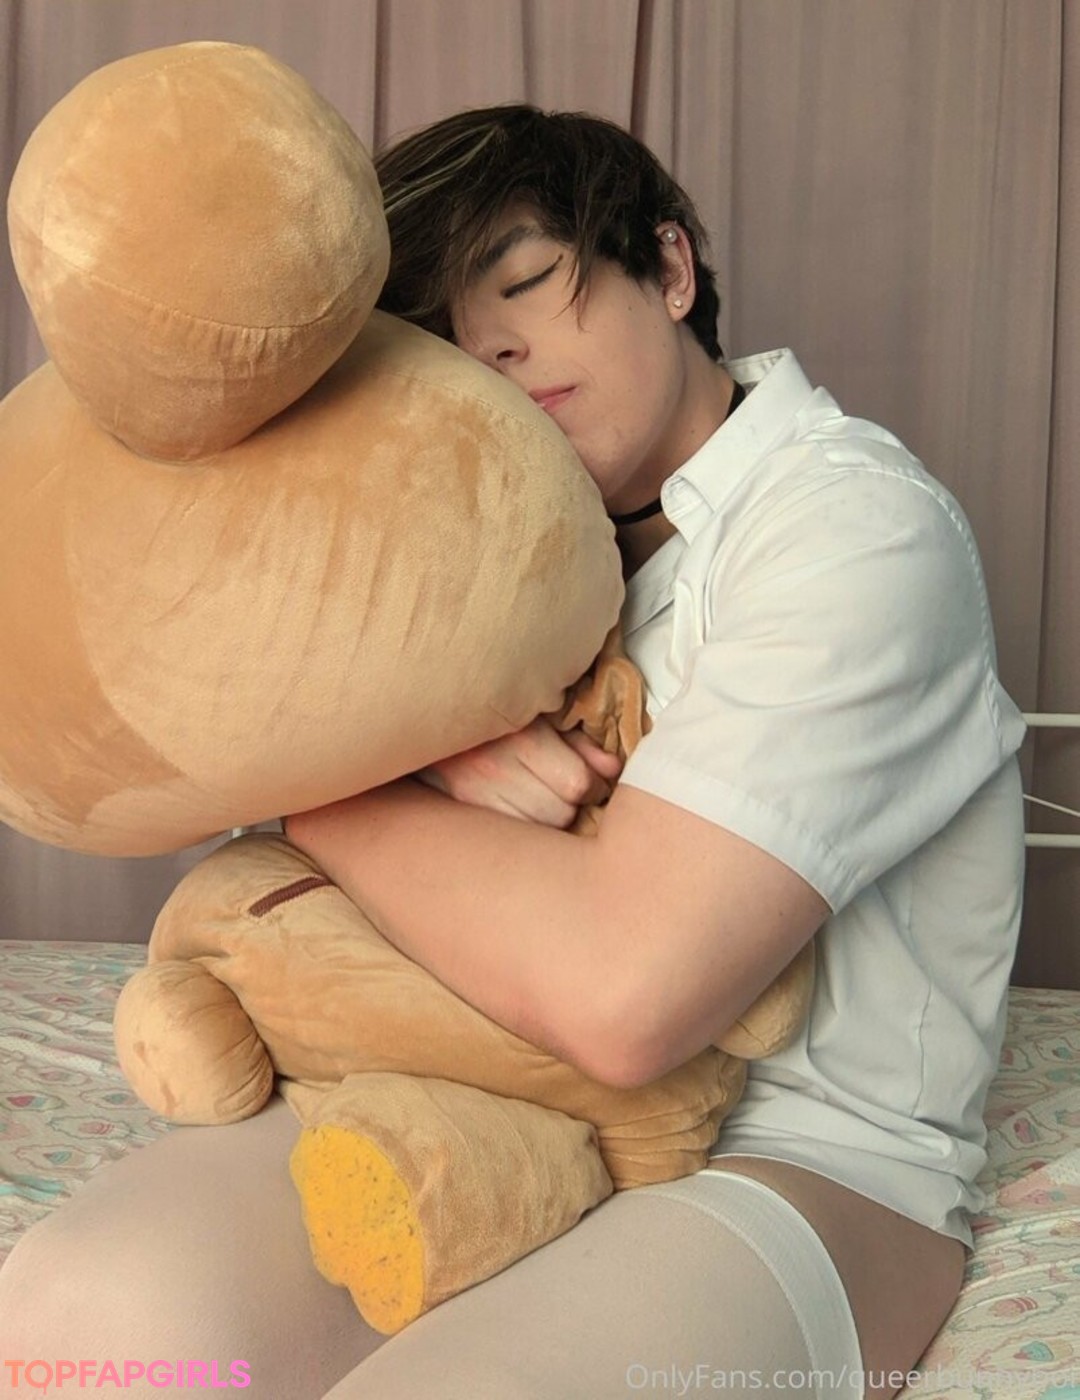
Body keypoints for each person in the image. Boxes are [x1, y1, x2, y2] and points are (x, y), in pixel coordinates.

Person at [0, 105, 1026, 1400]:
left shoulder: (855, 528)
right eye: (440, 335)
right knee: (73, 1313)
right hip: (458, 1087)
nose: (490, 346)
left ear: (669, 267)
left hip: (800, 1161)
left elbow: (626, 994)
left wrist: (330, 792)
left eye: (529, 280)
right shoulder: (464, 563)